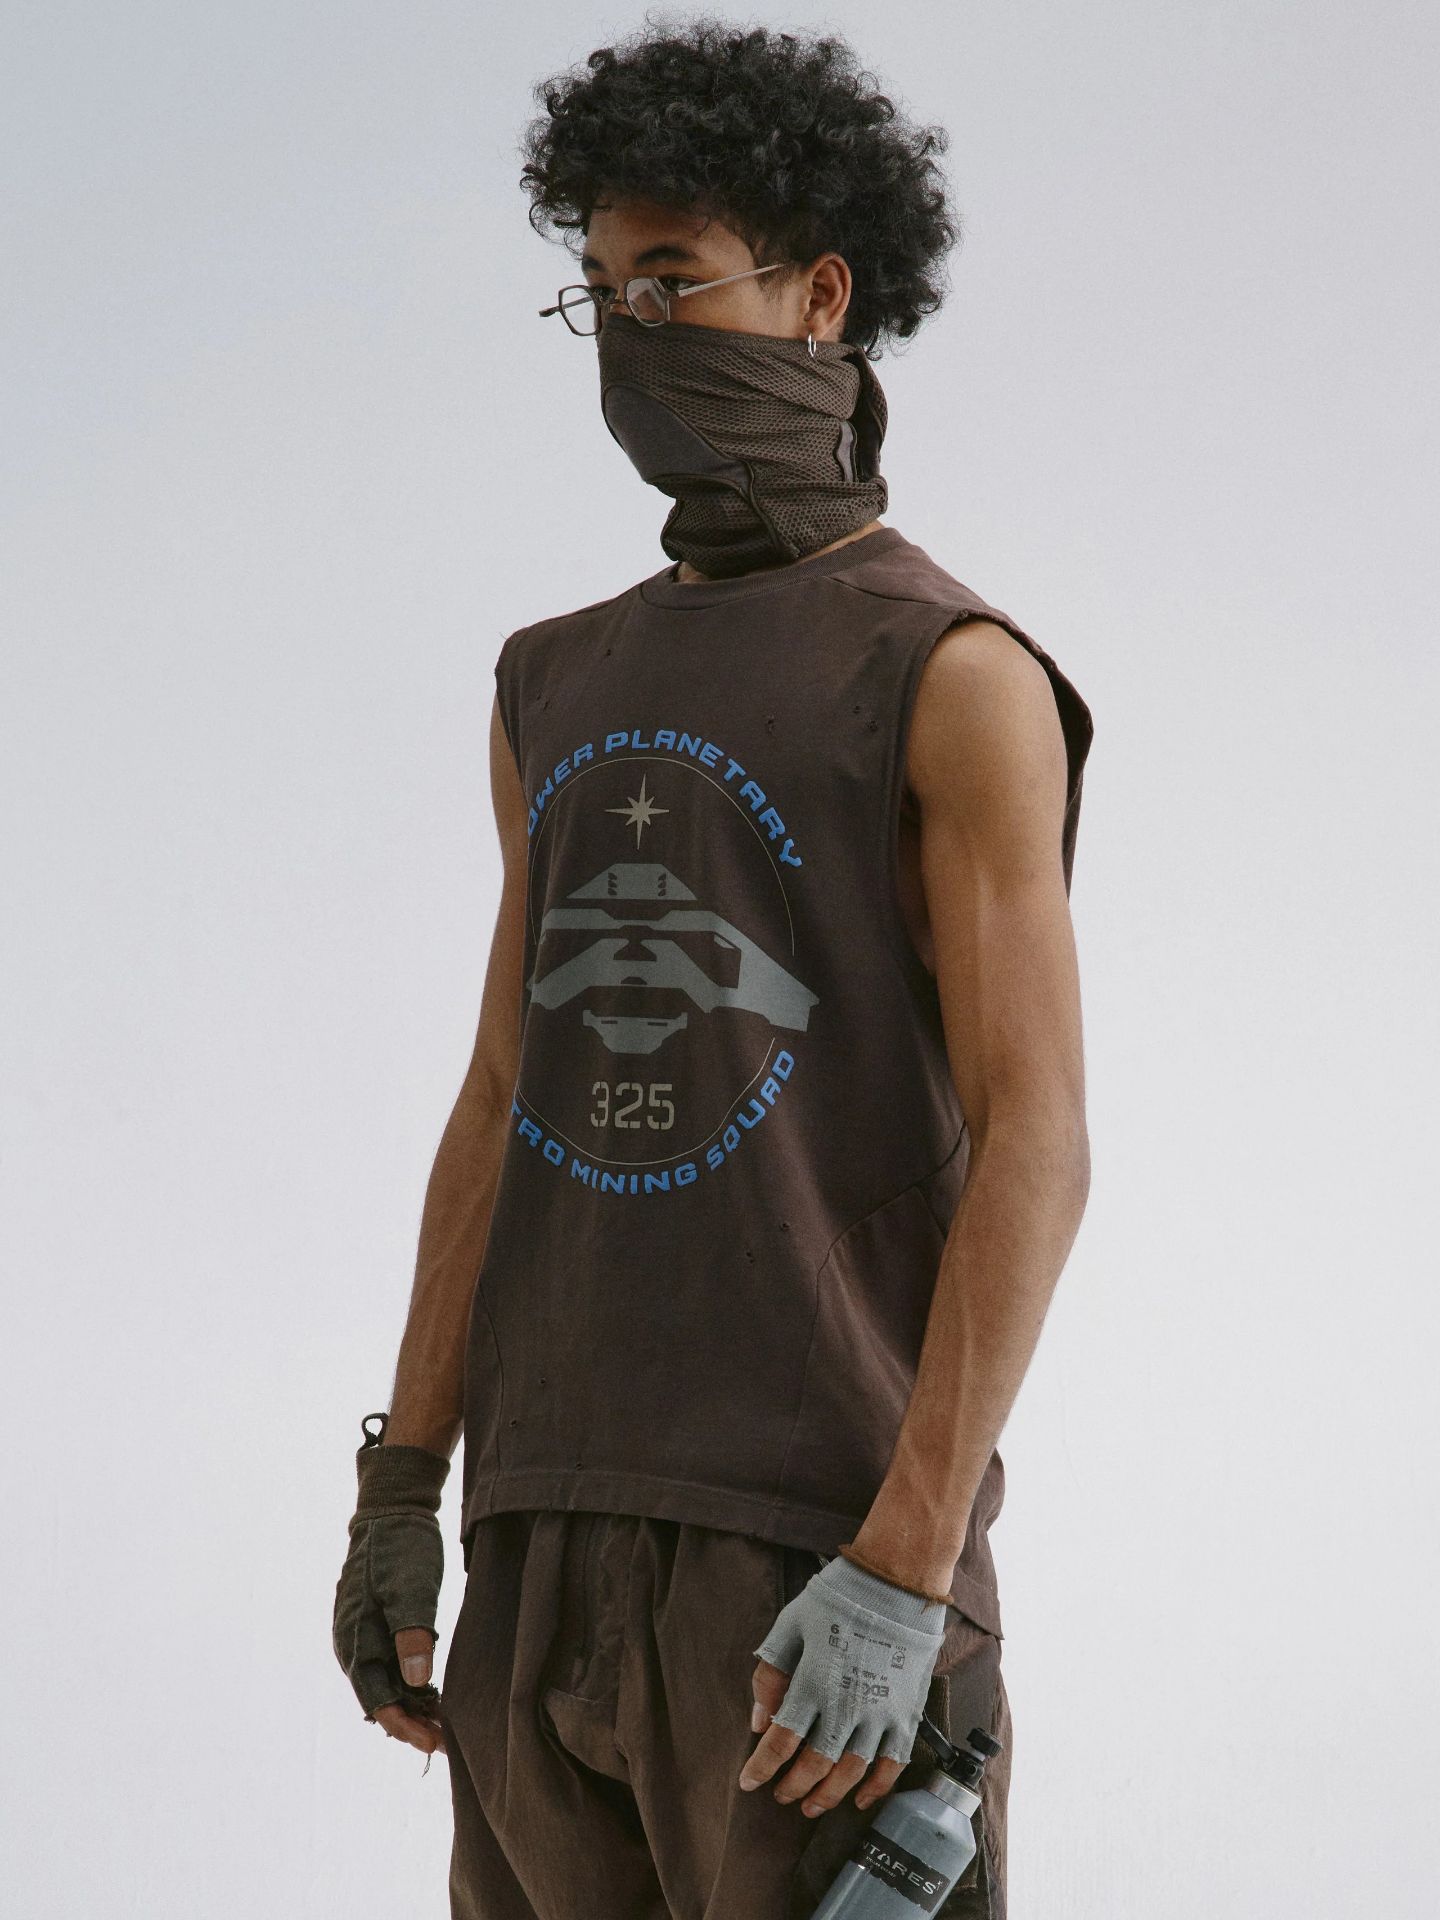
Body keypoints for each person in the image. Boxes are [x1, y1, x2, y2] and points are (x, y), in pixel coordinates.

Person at [332, 20, 1093, 1919]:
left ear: (821, 296)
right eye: (599, 289)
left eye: (673, 276)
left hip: (811, 1560)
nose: (633, 328)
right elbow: (501, 1091)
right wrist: (405, 1487)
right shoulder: (553, 676)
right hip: (541, 1537)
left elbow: (1037, 1141)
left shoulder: (953, 674)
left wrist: (907, 1565)